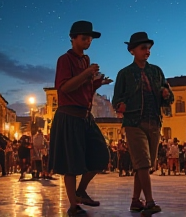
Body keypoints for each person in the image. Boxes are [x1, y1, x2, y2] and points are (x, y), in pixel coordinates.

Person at [48, 20, 112, 217]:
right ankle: (73, 206)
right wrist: (86, 74)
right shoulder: (64, 60)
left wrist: (96, 84)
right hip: (69, 116)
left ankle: (81, 191)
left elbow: (84, 88)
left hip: (85, 116)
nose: (88, 41)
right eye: (84, 37)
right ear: (73, 38)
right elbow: (64, 88)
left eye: (90, 38)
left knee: (102, 155)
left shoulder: (85, 60)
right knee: (71, 163)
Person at [112, 32, 174, 214]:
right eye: (143, 48)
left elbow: (169, 97)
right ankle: (149, 202)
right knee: (143, 163)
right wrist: (120, 105)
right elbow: (117, 98)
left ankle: (134, 201)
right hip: (134, 122)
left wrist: (166, 94)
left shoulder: (156, 71)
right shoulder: (124, 74)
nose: (147, 51)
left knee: (144, 166)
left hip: (154, 121)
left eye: (148, 48)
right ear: (132, 51)